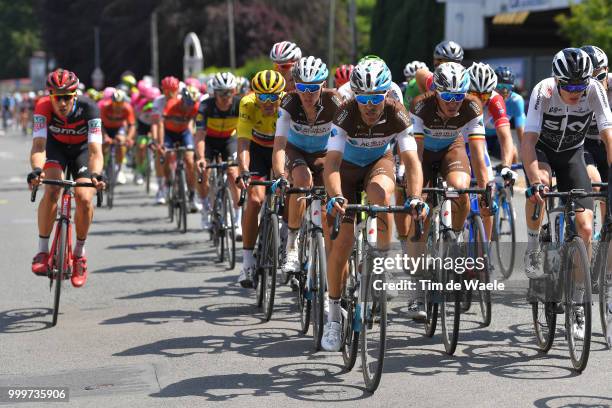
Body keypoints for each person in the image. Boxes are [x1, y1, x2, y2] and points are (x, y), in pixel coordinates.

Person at [322, 59, 426, 351]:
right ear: (355, 95)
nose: (369, 105)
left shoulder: (396, 113)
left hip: (377, 165)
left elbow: (411, 160)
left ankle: (381, 266)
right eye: (364, 99)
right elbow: (331, 163)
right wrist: (335, 196)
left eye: (376, 98)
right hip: (345, 170)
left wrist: (416, 197)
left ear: (386, 95)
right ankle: (332, 318)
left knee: (381, 196)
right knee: (341, 244)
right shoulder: (343, 113)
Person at [407, 62, 491, 319]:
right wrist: (416, 195)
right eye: (447, 97)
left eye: (459, 96)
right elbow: (416, 155)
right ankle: (417, 290)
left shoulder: (472, 105)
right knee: (419, 212)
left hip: (450, 149)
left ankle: (453, 239)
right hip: (423, 155)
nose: (454, 102)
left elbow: (478, 154)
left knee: (461, 189)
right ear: (436, 92)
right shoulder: (422, 104)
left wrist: (486, 187)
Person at [522, 48, 612, 286]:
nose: (576, 91)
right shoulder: (543, 90)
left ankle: (580, 298)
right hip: (542, 151)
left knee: (585, 229)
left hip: (573, 154)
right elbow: (528, 140)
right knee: (540, 184)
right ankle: (533, 246)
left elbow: (608, 135)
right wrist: (533, 183)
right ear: (556, 80)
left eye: (580, 85)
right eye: (569, 86)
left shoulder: (593, 89)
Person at [28, 69, 105, 287]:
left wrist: (97, 174)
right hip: (56, 148)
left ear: (75, 95)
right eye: (57, 97)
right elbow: (39, 146)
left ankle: (79, 254)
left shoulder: (89, 108)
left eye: (67, 97)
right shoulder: (42, 107)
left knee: (84, 197)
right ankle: (42, 251)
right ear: (50, 96)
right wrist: (36, 169)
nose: (62, 103)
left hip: (82, 151)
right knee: (52, 189)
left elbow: (95, 151)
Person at [272, 56, 341, 280]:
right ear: (295, 85)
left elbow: (345, 141)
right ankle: (292, 245)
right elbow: (280, 145)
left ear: (323, 84)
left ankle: (323, 260)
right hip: (296, 151)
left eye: (313, 88)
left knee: (323, 209)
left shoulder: (335, 101)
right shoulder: (289, 102)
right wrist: (281, 175)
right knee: (301, 180)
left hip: (323, 155)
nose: (308, 94)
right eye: (302, 87)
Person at [236, 70, 285, 288]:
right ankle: (247, 262)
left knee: (289, 195)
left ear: (281, 95)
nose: (267, 102)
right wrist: (243, 170)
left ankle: (286, 240)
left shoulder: (288, 104)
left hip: (280, 151)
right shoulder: (247, 103)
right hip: (255, 151)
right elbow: (243, 142)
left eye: (273, 97)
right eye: (262, 96)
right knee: (254, 200)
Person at [195, 72, 242, 237]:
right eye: (221, 92)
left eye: (228, 92)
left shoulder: (239, 104)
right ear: (214, 93)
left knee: (233, 173)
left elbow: (245, 132)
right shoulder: (205, 107)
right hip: (209, 141)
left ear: (234, 91)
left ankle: (237, 220)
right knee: (203, 171)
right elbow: (200, 134)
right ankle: (204, 206)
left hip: (229, 140)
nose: (225, 96)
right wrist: (201, 157)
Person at [160, 85, 201, 212]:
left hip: (184, 133)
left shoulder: (195, 107)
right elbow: (161, 124)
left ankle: (192, 195)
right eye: (188, 102)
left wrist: (195, 140)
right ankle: (167, 184)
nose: (190, 106)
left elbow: (196, 125)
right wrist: (161, 143)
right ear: (182, 98)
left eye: (192, 103)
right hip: (169, 134)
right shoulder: (171, 104)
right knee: (167, 156)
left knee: (189, 160)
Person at [151, 76, 180, 204]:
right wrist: (156, 141)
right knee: (160, 153)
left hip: (179, 130)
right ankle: (161, 187)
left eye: (173, 90)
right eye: (167, 91)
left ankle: (182, 183)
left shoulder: (181, 101)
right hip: (164, 130)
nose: (170, 94)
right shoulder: (158, 102)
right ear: (163, 90)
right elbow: (155, 124)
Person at [98, 89, 136, 185]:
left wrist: (129, 138)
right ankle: (101, 168)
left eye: (120, 104)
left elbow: (132, 125)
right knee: (103, 145)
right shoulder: (105, 107)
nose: (118, 107)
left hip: (119, 128)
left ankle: (119, 167)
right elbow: (99, 124)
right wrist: (105, 136)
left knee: (121, 142)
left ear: (124, 102)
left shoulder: (127, 108)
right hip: (105, 128)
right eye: (116, 104)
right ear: (112, 102)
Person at [495, 66, 526, 158]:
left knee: (513, 152)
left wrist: (526, 154)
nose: (504, 90)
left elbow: (521, 129)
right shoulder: (486, 98)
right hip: (483, 136)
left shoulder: (516, 100)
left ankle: (513, 172)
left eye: (508, 87)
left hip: (500, 136)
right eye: (499, 86)